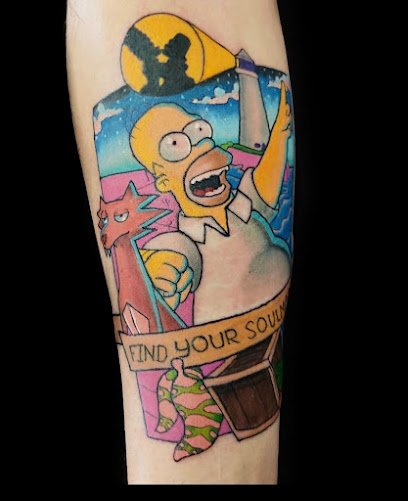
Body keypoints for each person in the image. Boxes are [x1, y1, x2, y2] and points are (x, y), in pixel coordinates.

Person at [67, 0, 294, 484]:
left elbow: (265, 168)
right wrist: (163, 272)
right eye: (178, 145)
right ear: (163, 179)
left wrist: (274, 122)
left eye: (200, 133)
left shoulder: (239, 200)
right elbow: (171, 255)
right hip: (233, 358)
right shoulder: (187, 236)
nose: (203, 147)